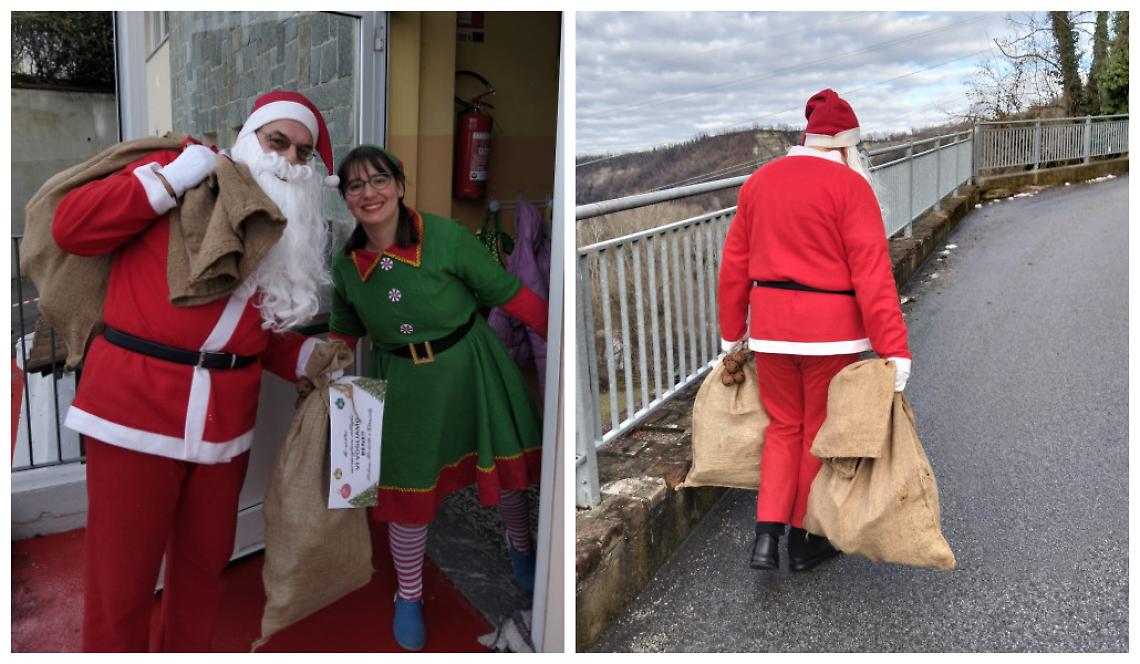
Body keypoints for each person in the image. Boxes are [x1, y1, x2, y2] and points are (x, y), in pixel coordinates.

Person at [53, 90, 340, 651]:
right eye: (276, 141)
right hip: (133, 410)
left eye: (302, 153)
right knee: (121, 586)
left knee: (201, 572)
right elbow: (72, 228)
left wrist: (306, 358)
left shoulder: (285, 233)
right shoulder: (176, 179)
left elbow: (253, 331)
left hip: (222, 429)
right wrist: (164, 181)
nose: (287, 160)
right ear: (246, 137)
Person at [327, 145, 547, 651]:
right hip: (403, 386)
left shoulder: (445, 236)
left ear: (400, 186)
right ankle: (409, 595)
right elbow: (343, 331)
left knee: (505, 470)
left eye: (379, 180)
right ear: (347, 200)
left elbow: (508, 291)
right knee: (407, 494)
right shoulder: (345, 265)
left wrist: (557, 348)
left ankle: (522, 547)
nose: (369, 193)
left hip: (471, 368)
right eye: (355, 186)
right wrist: (320, 376)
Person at [717, 88, 912, 573]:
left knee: (784, 427)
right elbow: (872, 274)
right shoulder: (851, 188)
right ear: (846, 146)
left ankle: (766, 536)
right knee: (816, 432)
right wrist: (895, 351)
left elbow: (734, 265)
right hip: (831, 335)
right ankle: (804, 539)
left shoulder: (759, 183)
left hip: (770, 330)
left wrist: (730, 333)